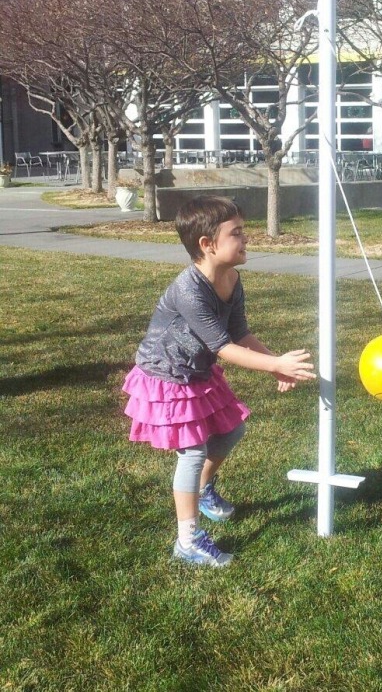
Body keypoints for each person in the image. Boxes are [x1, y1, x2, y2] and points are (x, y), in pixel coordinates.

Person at [123, 195, 316, 567]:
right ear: (207, 245)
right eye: (237, 233)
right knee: (193, 451)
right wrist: (274, 363)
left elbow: (240, 332)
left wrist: (274, 364)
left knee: (231, 431)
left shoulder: (232, 278)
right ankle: (188, 540)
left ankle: (202, 488)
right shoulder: (189, 290)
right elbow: (224, 346)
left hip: (197, 370)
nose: (247, 239)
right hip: (167, 375)